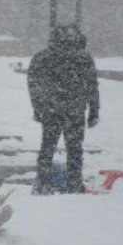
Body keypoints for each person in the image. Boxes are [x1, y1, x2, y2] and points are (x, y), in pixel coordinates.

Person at [27, 23, 99, 194]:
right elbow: (92, 86)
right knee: (74, 150)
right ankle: (74, 184)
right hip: (75, 111)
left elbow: (33, 86)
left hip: (51, 111)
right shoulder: (83, 57)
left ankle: (43, 183)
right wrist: (94, 111)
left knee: (47, 147)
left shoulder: (42, 57)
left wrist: (38, 108)